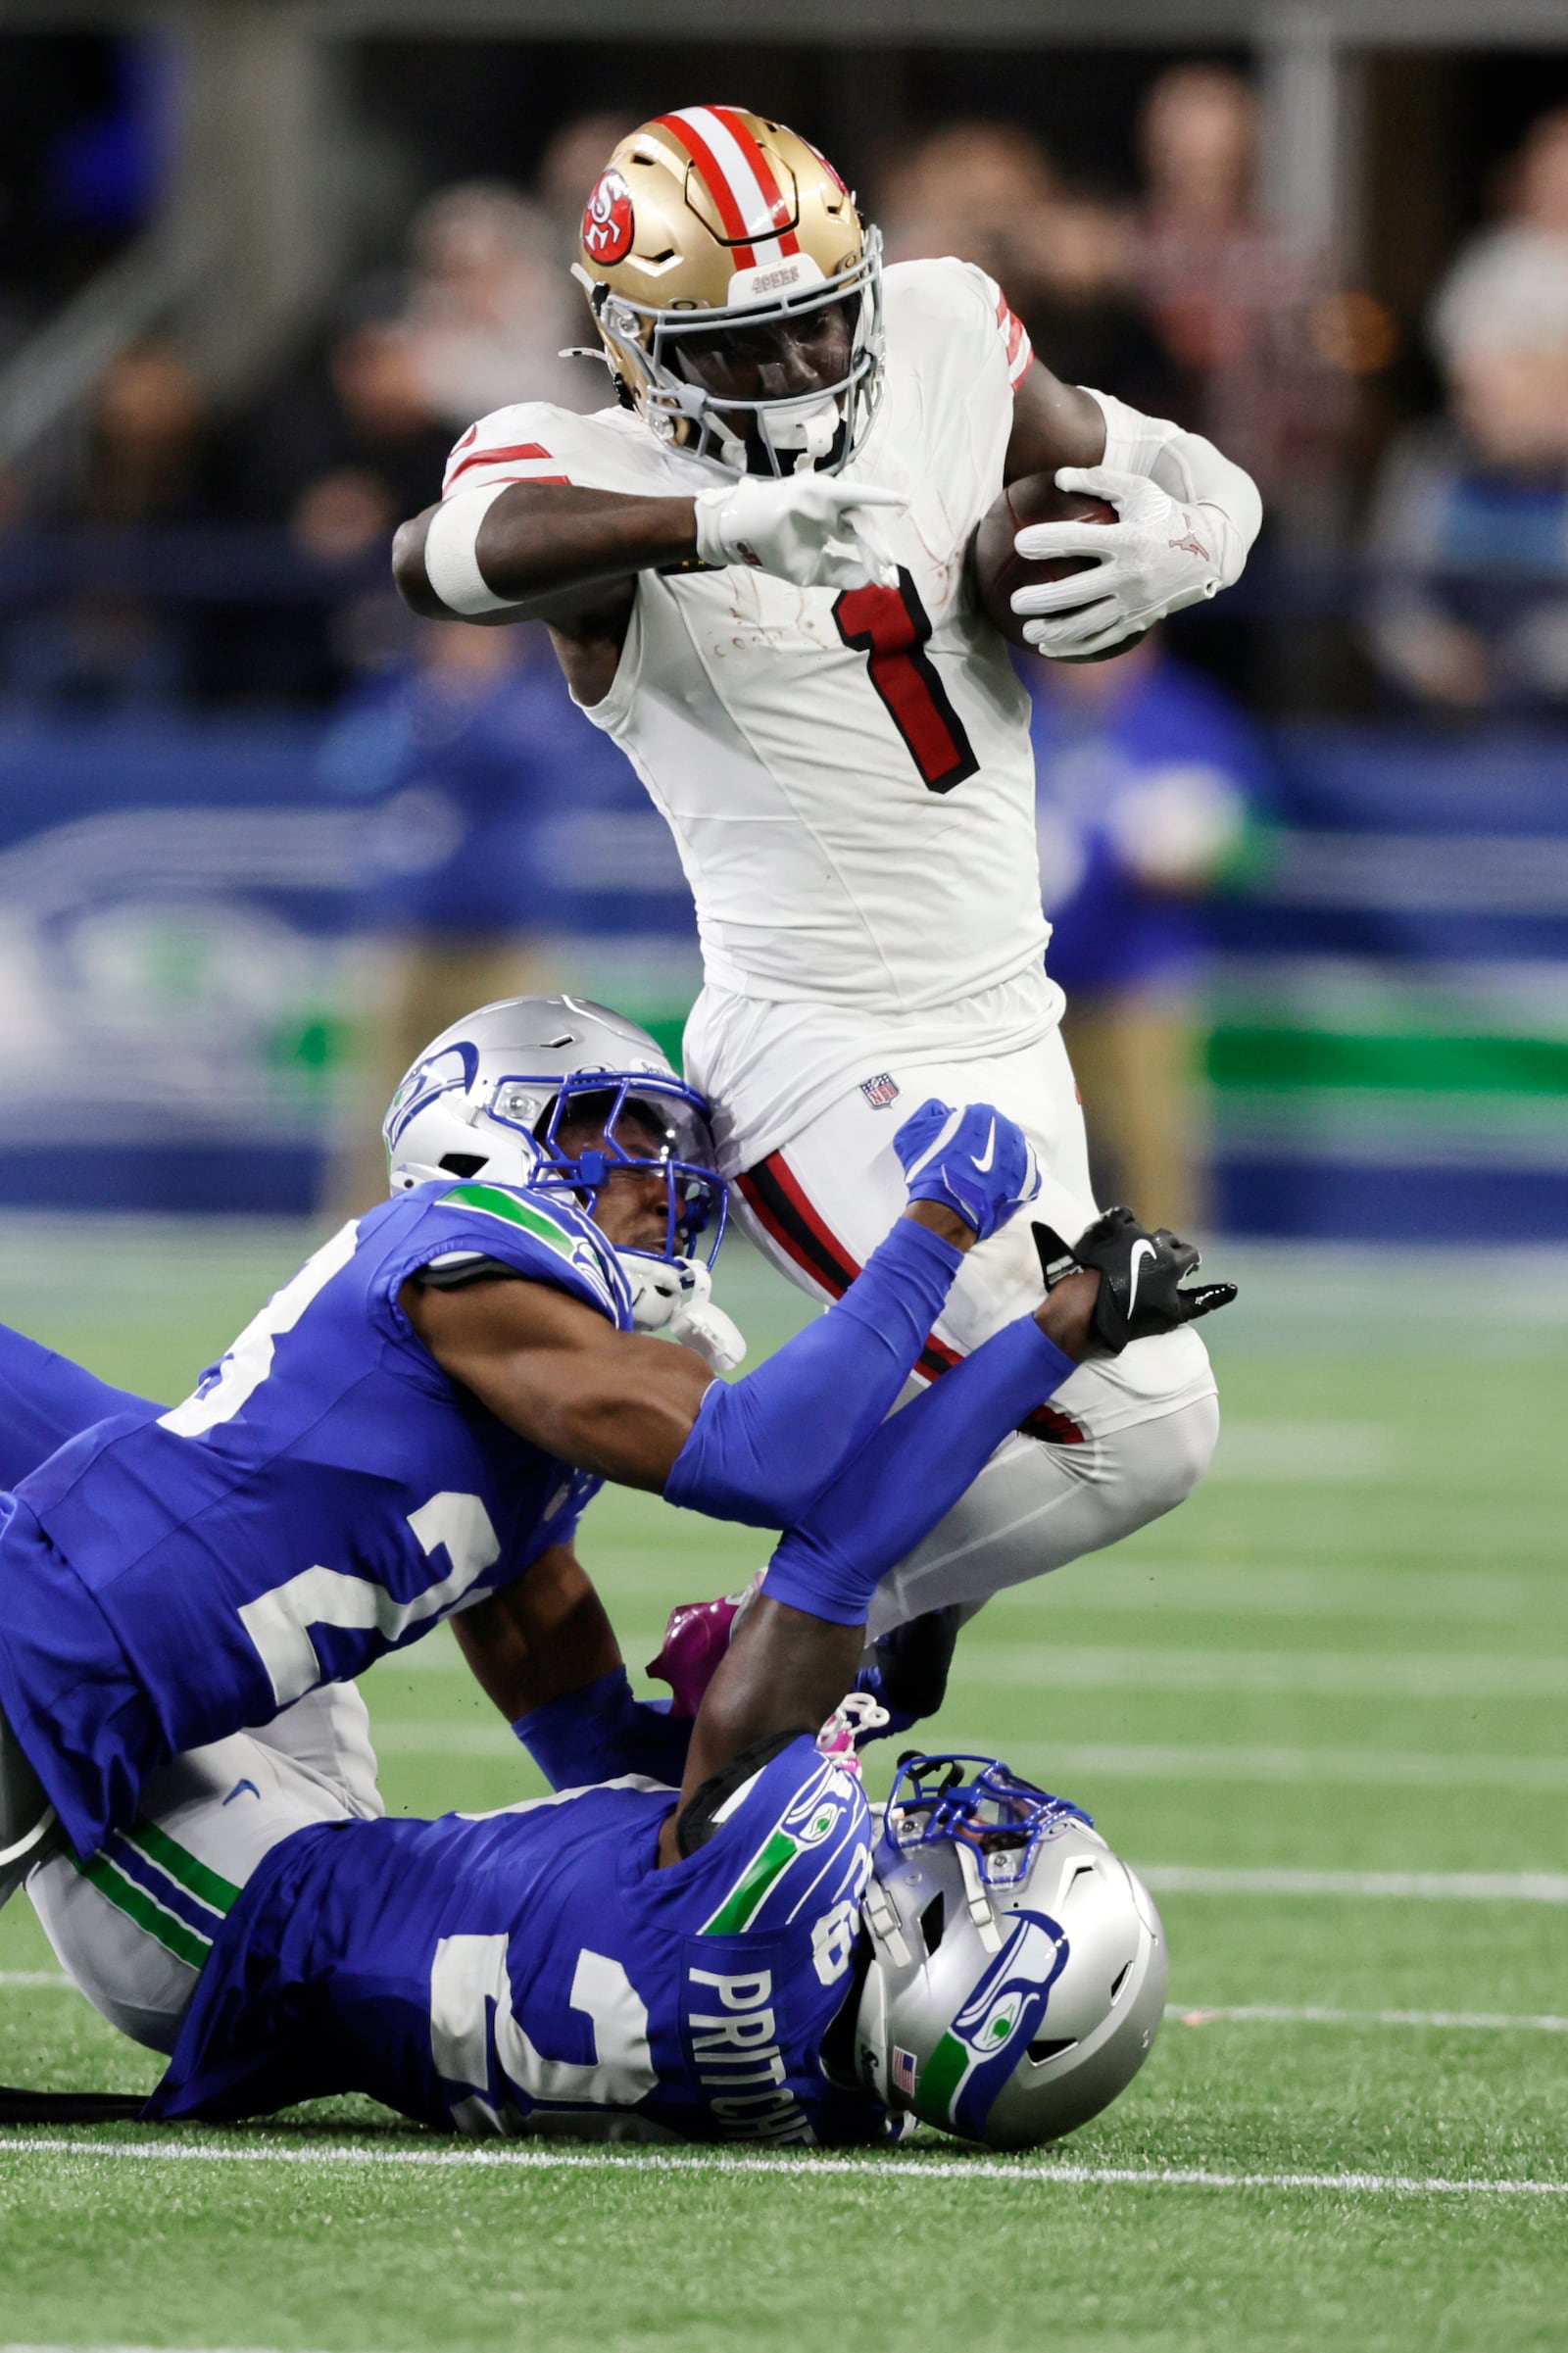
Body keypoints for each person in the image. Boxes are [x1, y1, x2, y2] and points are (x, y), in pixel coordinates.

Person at [390, 106, 1262, 1642]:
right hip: (826, 1050)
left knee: (1053, 1439)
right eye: (746, 349)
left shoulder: (935, 321)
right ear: (637, 343)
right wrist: (713, 523)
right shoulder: (581, 463)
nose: (801, 374)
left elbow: (1169, 463)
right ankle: (793, 1645)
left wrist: (1199, 540)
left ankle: (843, 1670)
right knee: (1145, 1425)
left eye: (817, 328)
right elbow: (441, 555)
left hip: (1019, 1020)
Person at [0, 990, 1225, 1908]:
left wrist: (806, 1700)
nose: (662, 1174)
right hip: (41, 1645)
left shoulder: (519, 1475)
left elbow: (601, 1756)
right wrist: (933, 1230)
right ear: (486, 1137)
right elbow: (766, 1459)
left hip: (91, 1694)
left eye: (668, 1138)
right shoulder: (460, 1250)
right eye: (613, 1131)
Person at [5, 1233, 1178, 2150]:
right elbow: (614, 1792)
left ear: (955, 1956)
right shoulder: (828, 2095)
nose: (971, 1834)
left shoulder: (787, 1894)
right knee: (163, 1478)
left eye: (999, 1868)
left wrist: (1057, 1330)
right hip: (301, 1873)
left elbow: (832, 1553)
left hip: (231, 1911)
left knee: (104, 1553)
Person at [1025, 629, 1260, 1232]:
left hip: (1141, 974)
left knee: (1151, 1146)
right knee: (1027, 1142)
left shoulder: (1183, 718)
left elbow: (1259, 840)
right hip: (1025, 982)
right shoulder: (1012, 711)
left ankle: (1165, 1293)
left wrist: (1202, 855)